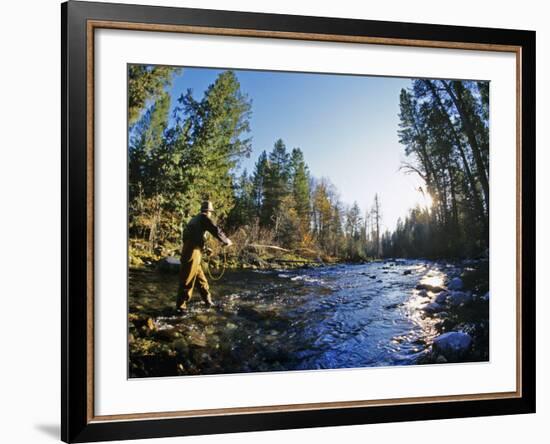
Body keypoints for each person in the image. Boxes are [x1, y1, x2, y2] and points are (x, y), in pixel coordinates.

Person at [176, 201, 232, 312]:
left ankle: (207, 300)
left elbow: (192, 238)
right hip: (192, 253)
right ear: (209, 211)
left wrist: (205, 249)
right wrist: (226, 241)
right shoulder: (204, 218)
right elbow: (215, 229)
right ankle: (180, 307)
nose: (211, 214)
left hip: (192, 252)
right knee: (187, 280)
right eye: (211, 212)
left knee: (201, 279)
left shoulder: (195, 219)